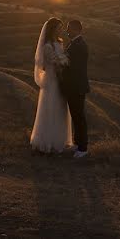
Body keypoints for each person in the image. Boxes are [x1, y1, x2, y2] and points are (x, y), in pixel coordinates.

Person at [29, 17, 73, 153]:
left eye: (61, 27)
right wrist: (64, 62)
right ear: (52, 29)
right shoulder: (47, 46)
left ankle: (60, 140)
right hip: (52, 81)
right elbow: (54, 62)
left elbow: (63, 58)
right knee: (51, 109)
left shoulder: (59, 43)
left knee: (60, 109)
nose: (61, 30)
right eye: (59, 28)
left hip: (60, 79)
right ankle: (48, 142)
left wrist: (65, 61)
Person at [60, 19, 90, 158]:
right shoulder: (75, 44)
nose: (67, 31)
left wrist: (61, 66)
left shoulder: (80, 46)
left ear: (77, 29)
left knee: (79, 117)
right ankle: (78, 144)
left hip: (77, 87)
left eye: (69, 29)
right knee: (76, 116)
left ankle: (83, 148)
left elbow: (75, 68)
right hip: (74, 87)